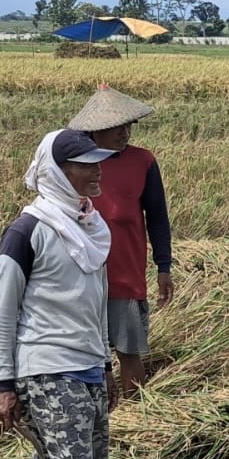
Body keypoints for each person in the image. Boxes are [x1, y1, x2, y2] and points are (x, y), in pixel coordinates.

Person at [0, 129, 119, 459]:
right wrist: (3, 384)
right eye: (85, 165)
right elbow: (3, 312)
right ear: (58, 172)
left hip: (88, 367)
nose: (97, 172)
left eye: (98, 164)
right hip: (50, 371)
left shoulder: (92, 229)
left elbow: (97, 303)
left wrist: (106, 365)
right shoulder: (28, 231)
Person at [68, 85, 173, 398]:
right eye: (117, 127)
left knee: (129, 350)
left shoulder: (143, 162)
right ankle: (97, 412)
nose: (125, 133)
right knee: (87, 353)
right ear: (95, 129)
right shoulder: (75, 164)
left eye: (128, 126)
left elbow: (157, 217)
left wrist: (163, 266)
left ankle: (134, 415)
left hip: (125, 271)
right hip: (81, 273)